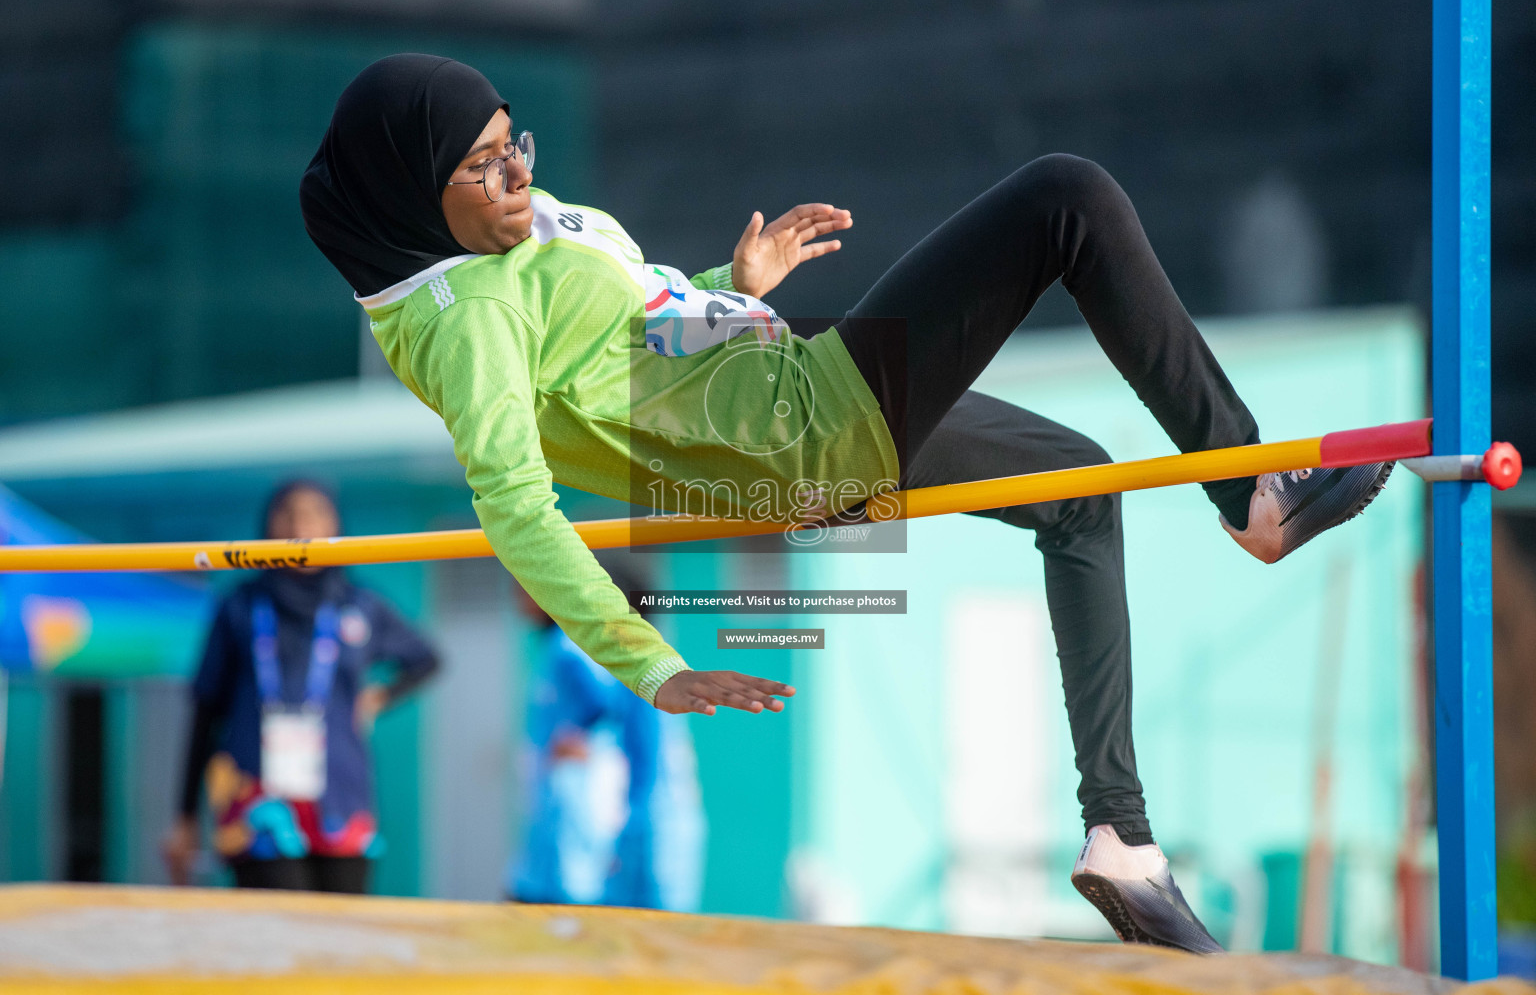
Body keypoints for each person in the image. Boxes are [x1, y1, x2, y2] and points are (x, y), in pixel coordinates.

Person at [298, 55, 1392, 949]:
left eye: (513, 145)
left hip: (786, 390)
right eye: (482, 168)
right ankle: (1252, 487)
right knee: (1070, 200)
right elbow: (517, 505)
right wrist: (651, 663)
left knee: (1080, 488)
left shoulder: (501, 252)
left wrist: (731, 291)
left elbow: (609, 357)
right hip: (803, 421)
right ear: (409, 190)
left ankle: (1124, 842)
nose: (515, 178)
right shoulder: (461, 316)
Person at [162, 480, 441, 893]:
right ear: (267, 526)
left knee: (340, 941)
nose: (300, 523)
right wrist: (184, 816)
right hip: (256, 803)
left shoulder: (359, 605)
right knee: (276, 938)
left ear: (336, 525)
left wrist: (379, 697)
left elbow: (427, 659)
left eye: (314, 512)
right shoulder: (240, 605)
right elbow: (205, 712)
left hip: (340, 799)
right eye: (287, 512)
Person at [507, 565, 704, 911]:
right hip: (646, 820)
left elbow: (604, 702)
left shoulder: (580, 650)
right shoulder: (646, 660)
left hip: (636, 823)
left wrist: (582, 736)